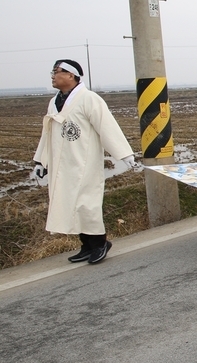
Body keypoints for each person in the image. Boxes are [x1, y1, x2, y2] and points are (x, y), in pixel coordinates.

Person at [33, 59, 135, 265]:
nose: (53, 76)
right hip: (62, 164)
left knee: (87, 204)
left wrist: (124, 154)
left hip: (84, 162)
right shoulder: (54, 102)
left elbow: (106, 126)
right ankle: (86, 245)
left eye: (56, 71)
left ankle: (100, 244)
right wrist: (40, 161)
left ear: (71, 75)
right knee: (70, 204)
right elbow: (47, 133)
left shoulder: (89, 99)